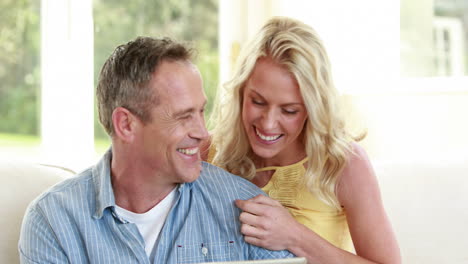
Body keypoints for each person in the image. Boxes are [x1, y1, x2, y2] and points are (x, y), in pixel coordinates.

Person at [18, 36, 294, 263]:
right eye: (184, 116)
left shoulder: (249, 211)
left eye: (201, 111)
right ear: (126, 124)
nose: (201, 132)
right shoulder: (53, 221)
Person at [208, 17, 401, 264]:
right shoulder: (210, 152)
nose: (268, 123)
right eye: (257, 101)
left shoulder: (343, 164)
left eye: (289, 110)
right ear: (240, 92)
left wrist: (294, 237)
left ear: (312, 108)